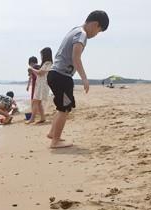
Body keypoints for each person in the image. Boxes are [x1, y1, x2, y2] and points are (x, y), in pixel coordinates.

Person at [47, 10, 109, 148]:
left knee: (62, 106)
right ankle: (55, 141)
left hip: (55, 74)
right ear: (95, 24)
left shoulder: (75, 29)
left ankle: (53, 133)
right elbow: (76, 57)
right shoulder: (82, 34)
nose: (96, 34)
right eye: (99, 31)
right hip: (61, 76)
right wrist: (84, 79)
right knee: (65, 108)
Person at [28, 47, 53, 124]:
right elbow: (39, 74)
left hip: (42, 85)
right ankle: (42, 118)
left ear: (45, 55)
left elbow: (40, 73)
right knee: (38, 102)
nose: (41, 57)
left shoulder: (48, 63)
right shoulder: (46, 63)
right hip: (40, 84)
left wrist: (32, 69)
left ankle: (32, 119)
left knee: (36, 101)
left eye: (41, 55)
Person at [25, 56, 40, 123]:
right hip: (37, 85)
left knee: (34, 100)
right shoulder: (39, 67)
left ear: (31, 62)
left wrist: (28, 86)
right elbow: (30, 77)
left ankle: (33, 116)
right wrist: (28, 86)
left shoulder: (33, 68)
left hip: (36, 85)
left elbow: (31, 77)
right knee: (37, 100)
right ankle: (35, 114)